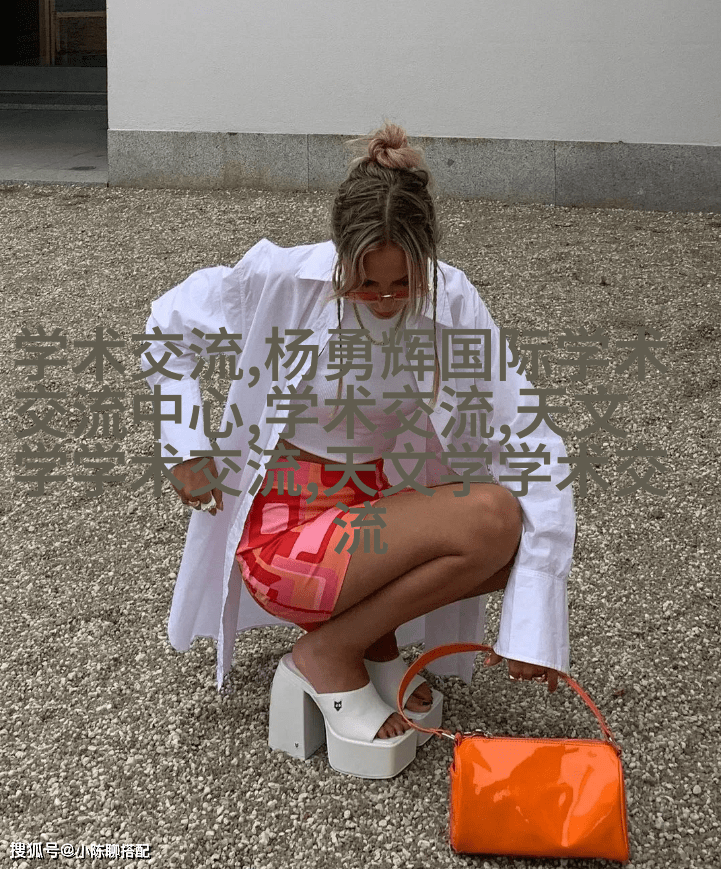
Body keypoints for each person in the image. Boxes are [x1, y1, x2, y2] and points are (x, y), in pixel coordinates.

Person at [142, 122, 576, 775]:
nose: (384, 300)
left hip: (369, 515)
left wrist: (536, 622)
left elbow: (525, 432)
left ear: (426, 258)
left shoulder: (452, 299)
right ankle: (329, 653)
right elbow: (168, 327)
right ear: (339, 253)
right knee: (490, 518)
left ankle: (369, 643)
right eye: (366, 283)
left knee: (517, 535)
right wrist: (183, 443)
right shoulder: (282, 277)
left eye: (403, 283)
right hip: (287, 537)